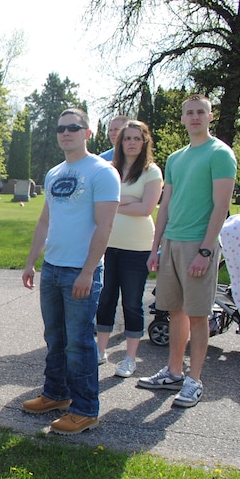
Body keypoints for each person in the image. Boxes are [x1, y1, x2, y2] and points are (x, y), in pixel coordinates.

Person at [21, 108, 119, 434]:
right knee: (55, 338)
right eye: (61, 128)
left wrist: (89, 271)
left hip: (81, 270)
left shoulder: (102, 172)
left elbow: (105, 227)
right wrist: (31, 261)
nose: (66, 133)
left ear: (88, 133)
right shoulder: (53, 173)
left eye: (74, 128)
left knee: (79, 343)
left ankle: (86, 409)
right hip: (52, 269)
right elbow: (45, 222)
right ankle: (56, 394)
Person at [138, 95, 237, 407]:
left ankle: (194, 381)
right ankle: (174, 372)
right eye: (189, 113)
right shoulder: (176, 158)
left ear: (209, 116)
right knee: (175, 311)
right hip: (172, 242)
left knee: (197, 315)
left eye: (200, 112)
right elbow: (165, 204)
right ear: (182, 119)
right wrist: (156, 248)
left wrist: (206, 251)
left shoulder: (220, 153)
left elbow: (221, 206)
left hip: (199, 244)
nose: (194, 117)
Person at [95, 120, 164, 376]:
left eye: (137, 138)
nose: (131, 143)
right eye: (127, 138)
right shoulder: (110, 170)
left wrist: (116, 203)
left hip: (137, 248)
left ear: (144, 142)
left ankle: (129, 358)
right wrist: (130, 200)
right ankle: (100, 351)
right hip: (107, 245)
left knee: (132, 303)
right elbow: (98, 203)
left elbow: (147, 208)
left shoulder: (151, 172)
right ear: (120, 142)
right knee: (105, 299)